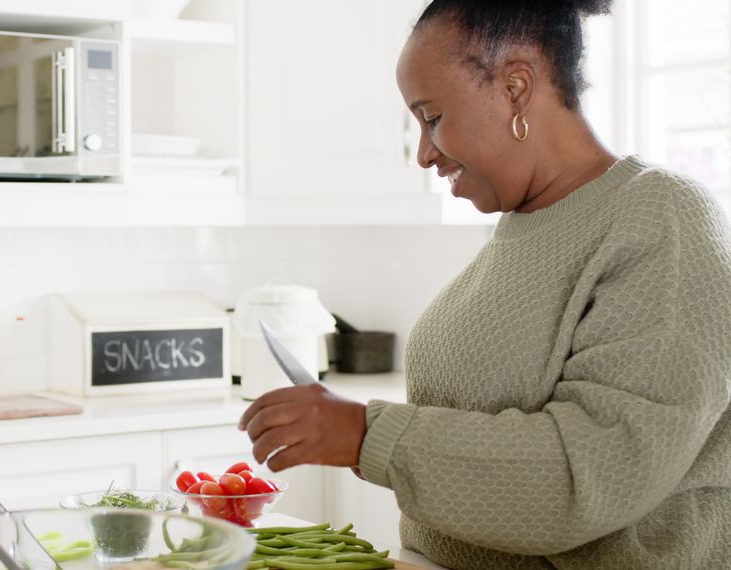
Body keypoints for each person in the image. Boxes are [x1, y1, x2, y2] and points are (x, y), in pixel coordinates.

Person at [238, 1, 731, 568]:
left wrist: (366, 434)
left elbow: (594, 470)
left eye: (432, 117)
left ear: (516, 87)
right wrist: (363, 435)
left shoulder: (662, 216)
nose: (424, 153)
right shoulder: (523, 225)